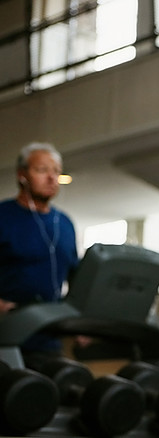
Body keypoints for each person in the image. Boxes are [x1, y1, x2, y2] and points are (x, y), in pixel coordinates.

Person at [0, 142, 79, 365]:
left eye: (56, 171)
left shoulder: (64, 223)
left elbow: (77, 277)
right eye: (42, 170)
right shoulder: (3, 216)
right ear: (22, 175)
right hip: (7, 335)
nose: (52, 178)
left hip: (49, 338)